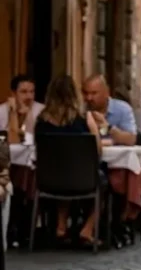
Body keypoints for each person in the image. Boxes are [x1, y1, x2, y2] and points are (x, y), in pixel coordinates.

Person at [36, 74, 103, 248]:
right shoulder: (83, 118)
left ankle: (60, 226)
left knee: (63, 176)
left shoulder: (41, 120)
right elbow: (97, 150)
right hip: (82, 179)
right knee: (105, 182)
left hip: (49, 179)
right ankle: (87, 228)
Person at [82, 74, 137, 146]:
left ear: (106, 92)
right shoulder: (81, 111)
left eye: (94, 93)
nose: (89, 98)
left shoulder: (122, 109)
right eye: (85, 93)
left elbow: (131, 140)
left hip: (117, 156)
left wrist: (107, 128)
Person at [0, 75, 43, 143]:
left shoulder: (42, 110)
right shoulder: (1, 111)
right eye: (24, 92)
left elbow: (33, 140)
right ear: (13, 93)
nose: (29, 96)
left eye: (32, 92)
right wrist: (13, 112)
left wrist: (28, 114)